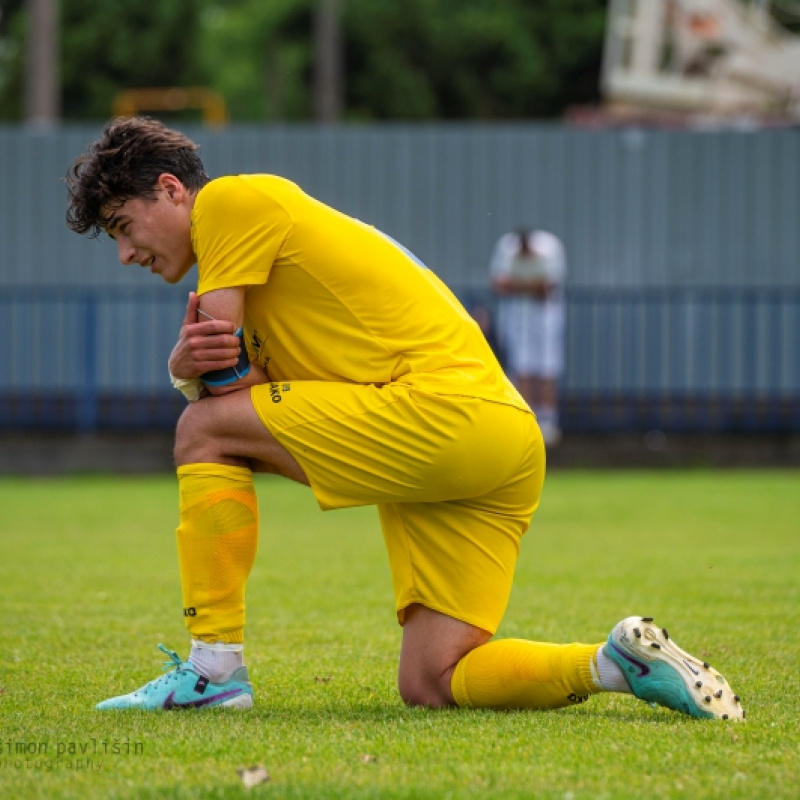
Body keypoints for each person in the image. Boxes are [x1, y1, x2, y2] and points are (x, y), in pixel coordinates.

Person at [64, 117, 742, 720]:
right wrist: (198, 372)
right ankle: (613, 664)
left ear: (173, 190)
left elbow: (217, 395)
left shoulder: (232, 201)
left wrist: (186, 371)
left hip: (440, 409)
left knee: (200, 431)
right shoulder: (265, 278)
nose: (126, 253)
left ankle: (213, 670)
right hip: (499, 439)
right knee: (433, 681)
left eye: (124, 226)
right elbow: (246, 397)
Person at [490, 229, 566, 445]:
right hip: (517, 319)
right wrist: (527, 286)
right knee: (521, 366)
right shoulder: (506, 247)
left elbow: (547, 288)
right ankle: (526, 418)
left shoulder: (550, 247)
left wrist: (520, 286)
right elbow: (499, 284)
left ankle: (548, 422)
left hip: (545, 318)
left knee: (546, 366)